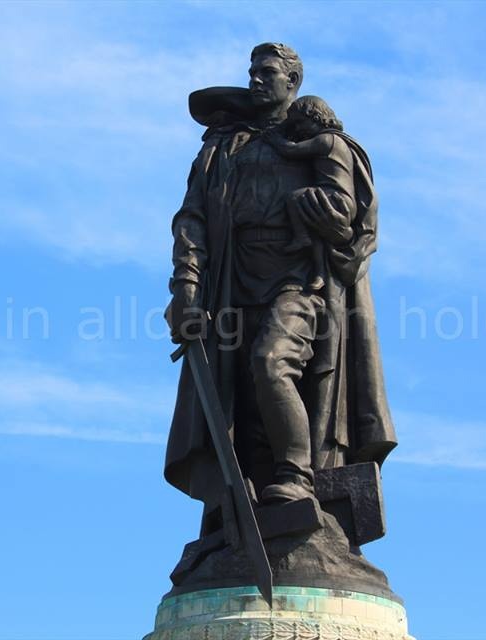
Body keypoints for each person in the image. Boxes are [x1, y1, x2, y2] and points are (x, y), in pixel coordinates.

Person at [164, 43, 396, 534]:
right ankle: (246, 512)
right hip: (231, 281)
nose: (255, 79)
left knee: (272, 362)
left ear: (293, 81)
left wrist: (332, 222)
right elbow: (193, 218)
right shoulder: (222, 146)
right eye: (252, 71)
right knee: (242, 398)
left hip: (301, 280)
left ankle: (297, 476)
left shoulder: (320, 140)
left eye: (267, 72)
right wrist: (186, 284)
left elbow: (355, 224)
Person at [264, 95, 347, 291]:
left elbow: (291, 150)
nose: (298, 129)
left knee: (295, 198)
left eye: (300, 123)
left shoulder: (326, 140)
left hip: (334, 196)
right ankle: (319, 272)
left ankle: (301, 236)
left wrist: (274, 140)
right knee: (316, 229)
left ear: (316, 117)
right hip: (334, 196)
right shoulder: (338, 141)